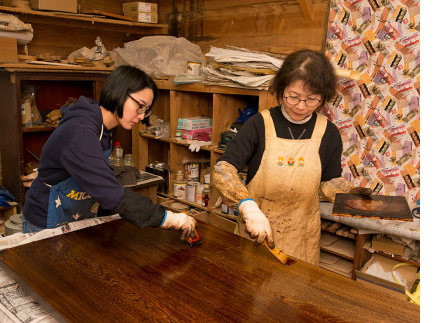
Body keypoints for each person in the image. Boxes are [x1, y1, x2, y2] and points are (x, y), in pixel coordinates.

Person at [211, 49, 370, 265]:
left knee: (297, 296)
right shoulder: (259, 124)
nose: (301, 106)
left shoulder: (328, 132)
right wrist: (247, 207)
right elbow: (223, 169)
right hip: (257, 235)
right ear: (280, 88)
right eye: (293, 97)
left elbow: (328, 181)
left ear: (323, 97)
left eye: (312, 99)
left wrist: (348, 194)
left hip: (302, 240)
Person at [21, 65, 197, 241]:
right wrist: (168, 218)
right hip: (45, 222)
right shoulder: (80, 132)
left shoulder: (105, 128)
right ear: (119, 92)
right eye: (140, 106)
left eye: (146, 110)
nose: (142, 116)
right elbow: (110, 193)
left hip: (75, 218)